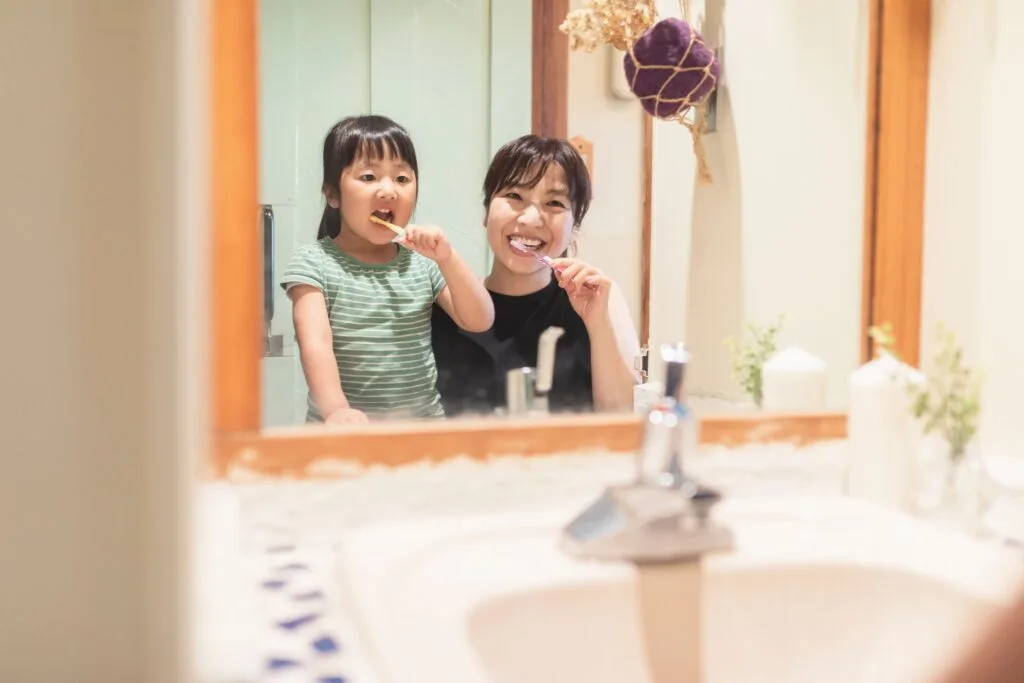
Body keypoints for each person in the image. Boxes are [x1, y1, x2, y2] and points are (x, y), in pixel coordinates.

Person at [281, 115, 494, 425]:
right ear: (332, 194)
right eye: (369, 177)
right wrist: (337, 409)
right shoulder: (315, 263)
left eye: (402, 179)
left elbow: (480, 319)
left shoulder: (423, 264)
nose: (388, 190)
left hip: (422, 430)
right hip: (344, 433)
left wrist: (448, 259)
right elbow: (315, 343)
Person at [431, 134, 640, 416]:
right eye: (514, 196)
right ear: (486, 213)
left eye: (554, 203)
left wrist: (597, 322)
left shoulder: (601, 298)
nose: (530, 219)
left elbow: (620, 416)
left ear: (573, 226)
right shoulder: (445, 302)